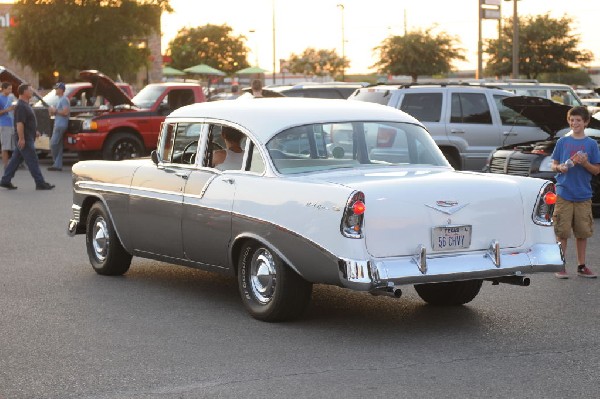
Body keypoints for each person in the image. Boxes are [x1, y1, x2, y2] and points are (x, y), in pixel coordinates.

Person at [551, 106, 600, 278]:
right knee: (562, 232)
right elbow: (553, 164)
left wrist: (585, 163)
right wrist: (560, 167)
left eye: (579, 120)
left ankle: (581, 266)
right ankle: (560, 265)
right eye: (572, 120)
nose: (575, 123)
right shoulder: (562, 142)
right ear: (569, 121)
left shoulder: (591, 144)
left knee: (582, 233)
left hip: (583, 194)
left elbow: (596, 170)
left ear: (586, 122)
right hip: (564, 192)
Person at [0, 83, 55, 190]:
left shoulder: (25, 105)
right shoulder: (20, 105)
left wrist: (35, 131)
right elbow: (20, 123)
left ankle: (5, 180)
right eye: (30, 90)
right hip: (24, 138)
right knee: (33, 160)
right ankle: (40, 183)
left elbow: (28, 122)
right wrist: (21, 138)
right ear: (24, 92)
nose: (32, 92)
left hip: (28, 136)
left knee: (15, 160)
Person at [48, 82, 70, 171]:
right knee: (59, 145)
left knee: (53, 144)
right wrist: (52, 111)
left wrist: (55, 110)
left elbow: (65, 112)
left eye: (57, 89)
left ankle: (56, 163)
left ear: (61, 90)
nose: (55, 90)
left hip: (61, 125)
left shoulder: (64, 99)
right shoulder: (59, 99)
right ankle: (58, 165)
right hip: (58, 124)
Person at [0, 82, 16, 169]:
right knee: (5, 146)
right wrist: (7, 110)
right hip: (4, 124)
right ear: (4, 89)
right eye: (9, 89)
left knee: (13, 145)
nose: (10, 90)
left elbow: (11, 109)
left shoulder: (10, 98)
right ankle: (6, 166)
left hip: (11, 123)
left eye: (11, 89)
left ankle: (13, 164)